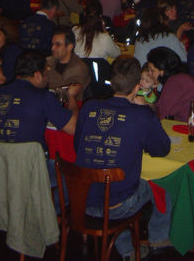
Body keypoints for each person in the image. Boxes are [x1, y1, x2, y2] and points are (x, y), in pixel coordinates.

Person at [74, 57, 172, 261]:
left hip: (81, 199)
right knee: (163, 184)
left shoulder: (89, 107)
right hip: (117, 206)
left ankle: (128, 249)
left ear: (112, 83)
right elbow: (162, 149)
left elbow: (78, 146)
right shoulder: (142, 115)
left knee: (116, 186)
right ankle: (159, 238)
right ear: (137, 87)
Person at [0, 49, 79, 189]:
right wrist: (71, 98)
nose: (47, 79)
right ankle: (50, 203)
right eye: (46, 75)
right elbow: (73, 128)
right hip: (31, 171)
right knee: (69, 175)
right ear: (37, 75)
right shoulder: (43, 97)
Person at [146, 47, 194, 128]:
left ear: (162, 70)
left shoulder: (175, 82)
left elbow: (159, 113)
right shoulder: (181, 77)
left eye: (152, 70)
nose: (149, 74)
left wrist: (143, 104)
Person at [46, 29, 91, 100]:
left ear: (70, 47)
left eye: (58, 45)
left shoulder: (79, 68)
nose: (52, 48)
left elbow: (63, 92)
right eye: (52, 44)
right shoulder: (48, 61)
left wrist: (48, 71)